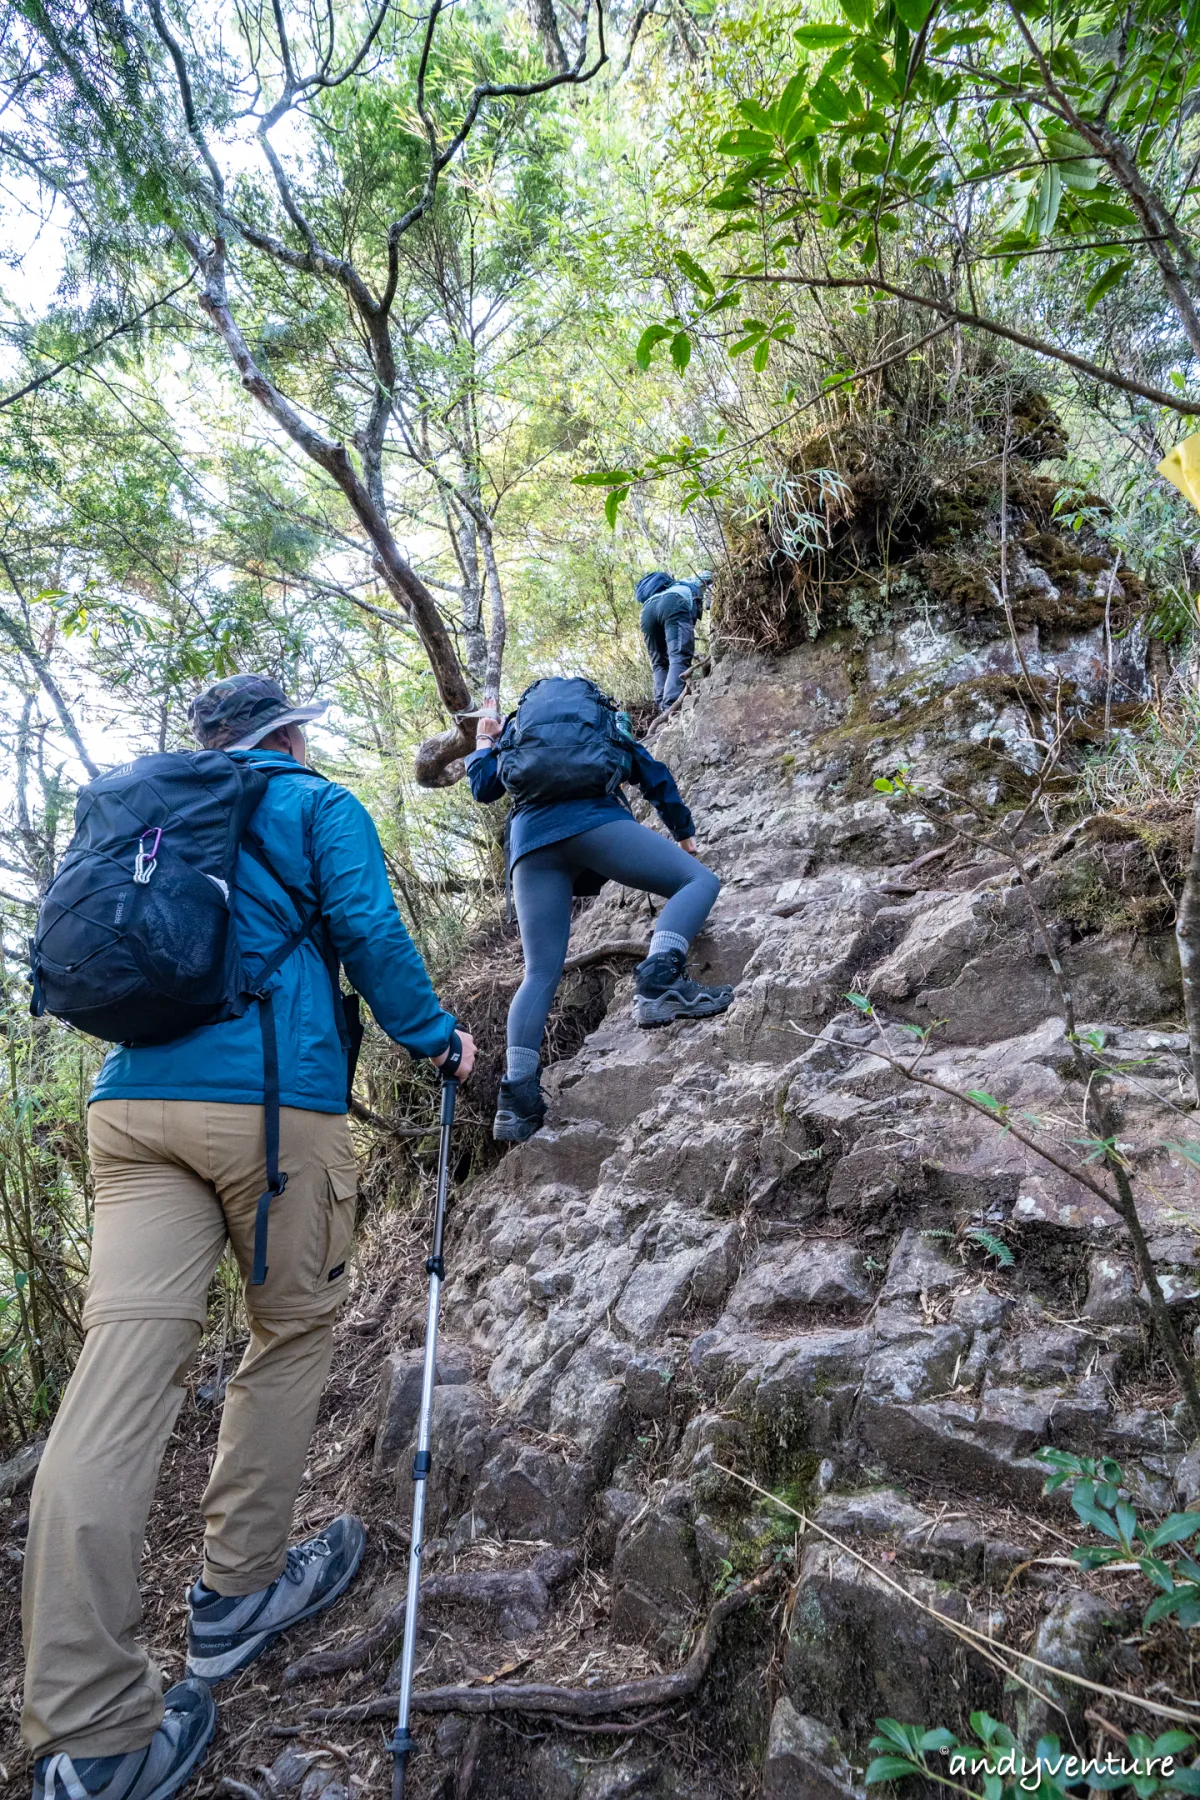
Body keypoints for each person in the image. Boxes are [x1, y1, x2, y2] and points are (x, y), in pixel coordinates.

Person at [22, 675, 475, 1800]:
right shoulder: (314, 804)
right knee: (288, 1335)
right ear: (290, 732)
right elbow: (367, 928)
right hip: (271, 1114)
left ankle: (93, 1736)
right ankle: (233, 1599)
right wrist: (436, 1041)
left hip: (127, 1115)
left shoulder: (147, 812)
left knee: (114, 1388)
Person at [467, 682, 732, 1143]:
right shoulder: (602, 727)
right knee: (698, 881)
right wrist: (684, 836)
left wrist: (484, 740)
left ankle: (517, 1101)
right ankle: (660, 983)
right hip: (597, 826)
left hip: (531, 847)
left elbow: (483, 787)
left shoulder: (514, 738)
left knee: (539, 972)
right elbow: (653, 775)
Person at [636, 569, 713, 711]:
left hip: (647, 612)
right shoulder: (686, 582)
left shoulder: (657, 592)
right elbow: (708, 575)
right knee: (678, 656)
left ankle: (662, 709)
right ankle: (671, 707)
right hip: (673, 603)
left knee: (659, 664)